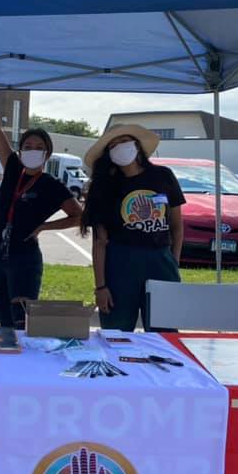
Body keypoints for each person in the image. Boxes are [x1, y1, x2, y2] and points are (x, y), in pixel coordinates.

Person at [0, 88, 82, 329]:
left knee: (22, 324)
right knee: (4, 323)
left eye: (38, 146)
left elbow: (79, 217)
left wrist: (44, 226)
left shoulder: (52, 185)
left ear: (47, 153)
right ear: (20, 151)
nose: (32, 150)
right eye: (27, 146)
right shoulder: (12, 168)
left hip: (25, 259)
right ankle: (5, 363)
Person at [81, 124, 186, 332]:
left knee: (165, 334)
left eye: (124, 142)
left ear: (137, 145)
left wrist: (173, 261)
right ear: (108, 154)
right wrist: (101, 286)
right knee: (116, 333)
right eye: (113, 145)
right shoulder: (104, 187)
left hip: (160, 261)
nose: (119, 147)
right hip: (120, 264)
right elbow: (100, 242)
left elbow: (176, 225)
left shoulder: (163, 176)